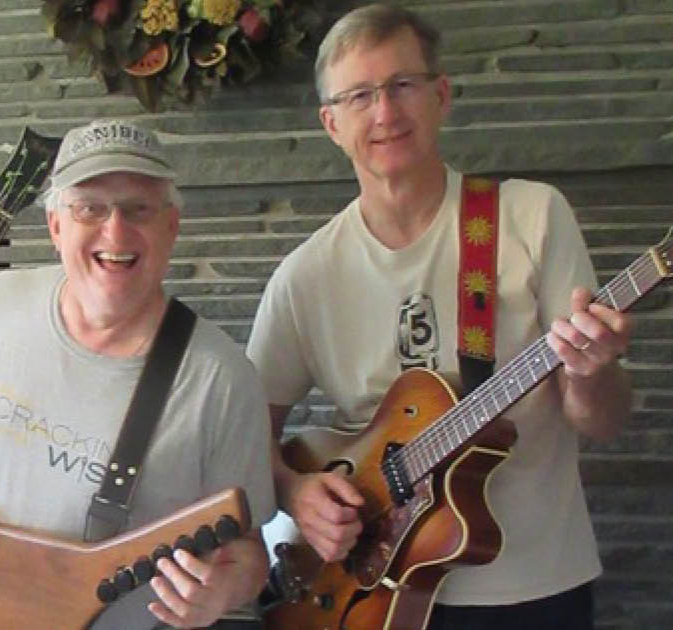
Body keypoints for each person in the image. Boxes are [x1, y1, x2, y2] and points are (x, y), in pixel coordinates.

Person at [246, 5, 634, 629]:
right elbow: (243, 431)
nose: (385, 113)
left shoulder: (530, 217)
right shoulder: (305, 275)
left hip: (534, 589)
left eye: (402, 85)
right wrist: (295, 492)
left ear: (441, 95)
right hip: (366, 599)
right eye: (360, 96)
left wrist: (590, 373)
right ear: (331, 123)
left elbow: (605, 422)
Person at [0, 119, 276, 629]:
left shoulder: (223, 380)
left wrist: (222, 591)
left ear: (172, 226)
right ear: (56, 225)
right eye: (90, 208)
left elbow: (251, 555)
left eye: (138, 209)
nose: (115, 231)